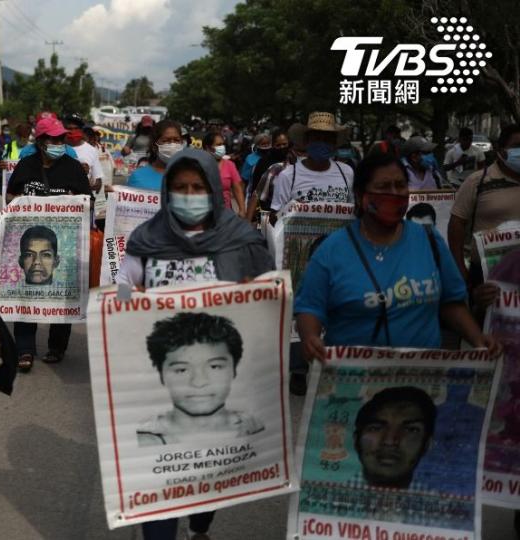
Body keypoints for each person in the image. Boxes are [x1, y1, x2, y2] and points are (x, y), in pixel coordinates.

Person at [116, 147, 273, 540]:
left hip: (219, 389)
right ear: (167, 192)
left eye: (197, 186)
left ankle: (201, 524)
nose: (189, 195)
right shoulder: (145, 239)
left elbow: (269, 303)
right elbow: (118, 301)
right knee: (160, 491)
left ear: (213, 191)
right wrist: (128, 298)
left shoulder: (243, 241)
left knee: (207, 485)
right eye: (180, 187)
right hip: (159, 386)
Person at [295, 152, 500, 367]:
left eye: (400, 185)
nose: (394, 193)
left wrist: (477, 339)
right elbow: (309, 307)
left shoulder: (429, 240)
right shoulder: (331, 250)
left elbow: (451, 303)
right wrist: (310, 338)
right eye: (384, 187)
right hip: (351, 382)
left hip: (422, 380)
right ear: (359, 195)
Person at [6, 117, 92, 372]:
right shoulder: (27, 165)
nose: (58, 143)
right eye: (52, 139)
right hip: (28, 239)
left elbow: (87, 200)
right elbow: (10, 195)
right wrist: (21, 200)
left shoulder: (73, 167)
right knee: (26, 293)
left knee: (60, 295)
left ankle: (57, 347)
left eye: (60, 139)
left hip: (62, 243)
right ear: (41, 142)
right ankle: (24, 349)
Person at [138, 313, 264, 447]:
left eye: (214, 367)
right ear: (161, 375)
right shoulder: (143, 437)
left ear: (234, 370)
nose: (199, 382)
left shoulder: (256, 427)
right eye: (182, 370)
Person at [448, 124, 520, 291]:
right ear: (500, 150)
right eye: (517, 146)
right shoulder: (477, 182)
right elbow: (456, 225)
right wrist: (460, 270)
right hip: (486, 275)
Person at [354, 386, 436, 489]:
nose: (390, 441)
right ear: (356, 440)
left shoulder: (444, 502)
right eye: (376, 428)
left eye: (410, 430)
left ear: (427, 444)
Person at [270, 112, 354, 212]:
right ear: (306, 142)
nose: (322, 143)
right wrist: (292, 209)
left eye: (327, 139)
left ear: (334, 144)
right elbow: (276, 217)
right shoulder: (288, 176)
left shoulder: (346, 172)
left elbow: (352, 211)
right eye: (317, 138)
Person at [126, 119, 184, 191]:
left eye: (177, 140)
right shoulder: (137, 177)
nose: (172, 144)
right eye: (165, 140)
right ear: (154, 146)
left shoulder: (191, 176)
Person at [203, 132, 244, 215]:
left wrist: (242, 209)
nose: (222, 147)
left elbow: (237, 189)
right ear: (208, 148)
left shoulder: (230, 165)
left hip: (225, 213)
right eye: (218, 144)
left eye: (223, 144)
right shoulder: (199, 165)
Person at [63, 113, 104, 193]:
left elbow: (98, 182)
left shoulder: (91, 150)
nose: (72, 131)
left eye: (76, 128)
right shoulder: (56, 148)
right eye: (69, 128)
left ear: (82, 130)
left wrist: (85, 181)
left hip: (81, 201)